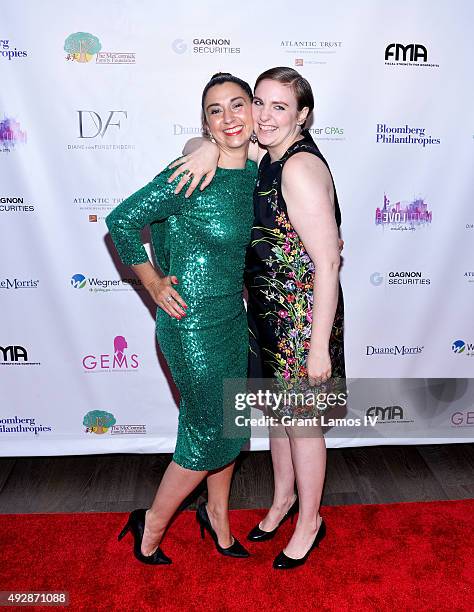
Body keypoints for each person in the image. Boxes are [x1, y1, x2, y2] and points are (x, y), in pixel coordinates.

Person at [169, 66, 346, 570]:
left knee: (303, 424)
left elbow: (328, 261)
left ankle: (310, 521)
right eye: (259, 104)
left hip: (300, 317)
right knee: (280, 420)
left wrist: (316, 348)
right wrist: (199, 146)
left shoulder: (297, 167)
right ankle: (282, 502)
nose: (263, 117)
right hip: (266, 314)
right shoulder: (268, 155)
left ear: (303, 116)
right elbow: (201, 148)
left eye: (279, 108)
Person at [106, 73, 258, 565]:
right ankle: (148, 523)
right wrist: (152, 282)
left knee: (231, 425)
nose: (229, 117)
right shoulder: (192, 172)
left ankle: (217, 516)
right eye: (216, 110)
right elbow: (122, 221)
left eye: (239, 105)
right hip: (189, 323)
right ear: (205, 122)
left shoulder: (259, 171)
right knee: (206, 427)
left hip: (232, 319)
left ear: (255, 113)